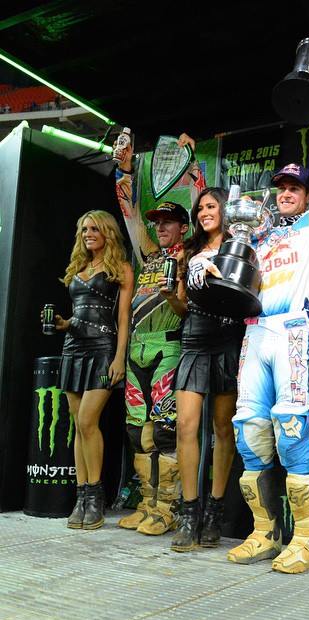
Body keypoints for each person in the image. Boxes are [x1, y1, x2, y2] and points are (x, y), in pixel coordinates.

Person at [226, 107, 309, 574]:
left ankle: (307, 539)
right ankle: (265, 533)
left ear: (308, 195)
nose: (286, 194)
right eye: (281, 188)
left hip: (294, 330)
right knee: (249, 432)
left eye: (294, 187)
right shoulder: (259, 237)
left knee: (292, 429)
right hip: (254, 333)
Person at [115, 138, 193, 536]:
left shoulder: (189, 256)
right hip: (135, 351)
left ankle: (168, 508)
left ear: (183, 227)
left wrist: (191, 166)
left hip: (168, 348)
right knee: (136, 430)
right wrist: (126, 172)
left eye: (168, 222)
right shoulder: (148, 255)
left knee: (164, 431)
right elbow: (130, 216)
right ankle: (147, 504)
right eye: (157, 222)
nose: (159, 227)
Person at [170, 186, 246, 552]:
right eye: (200, 208)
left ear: (225, 210)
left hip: (228, 338)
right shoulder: (187, 252)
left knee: (222, 428)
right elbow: (182, 306)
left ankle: (214, 510)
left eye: (211, 206)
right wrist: (170, 296)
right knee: (186, 426)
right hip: (194, 339)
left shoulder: (240, 244)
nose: (204, 213)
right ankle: (189, 513)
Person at [53, 210, 133, 529]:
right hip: (72, 348)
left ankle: (96, 496)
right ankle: (82, 496)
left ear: (107, 232)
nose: (88, 233)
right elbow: (79, 314)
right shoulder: (79, 267)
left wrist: (119, 357)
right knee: (78, 425)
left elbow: (123, 318)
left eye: (94, 229)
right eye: (84, 229)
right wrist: (64, 323)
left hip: (102, 349)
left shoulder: (121, 268)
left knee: (88, 420)